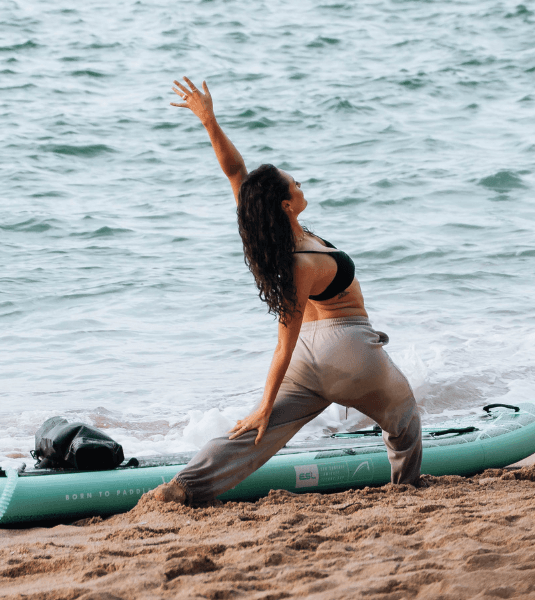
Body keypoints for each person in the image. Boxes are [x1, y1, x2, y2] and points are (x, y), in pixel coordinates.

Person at [149, 77, 423, 506]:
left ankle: (185, 487)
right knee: (403, 416)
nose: (300, 184)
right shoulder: (302, 262)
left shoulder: (269, 234)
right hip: (346, 345)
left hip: (309, 361)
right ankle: (406, 492)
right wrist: (263, 401)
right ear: (286, 204)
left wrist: (209, 122)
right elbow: (283, 340)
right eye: (294, 183)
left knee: (256, 436)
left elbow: (235, 171)